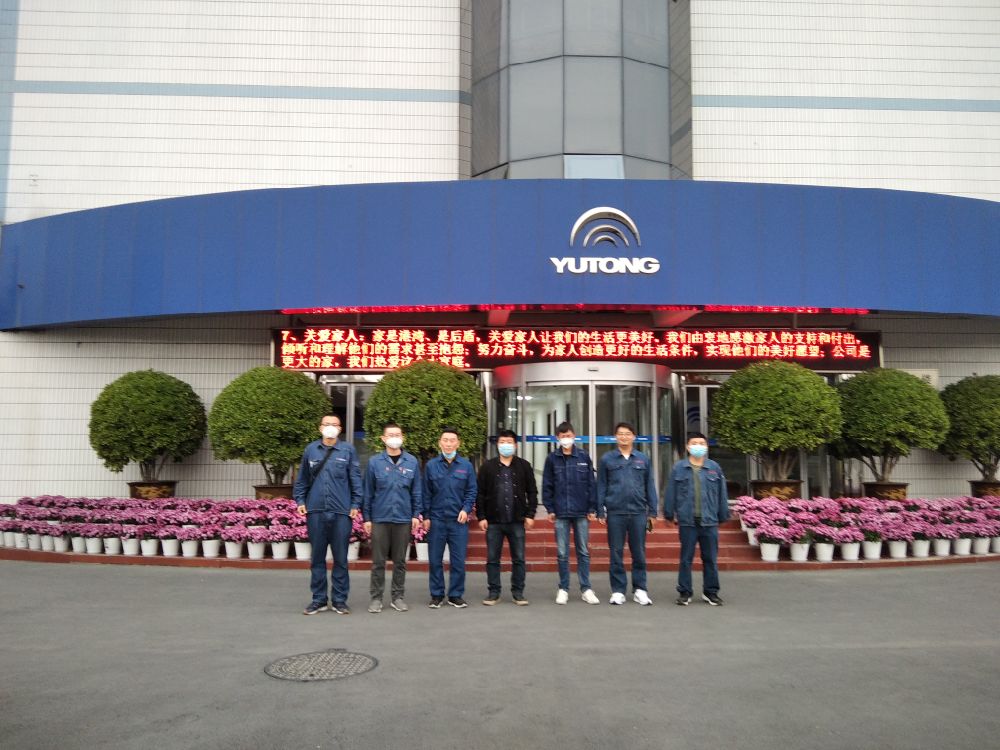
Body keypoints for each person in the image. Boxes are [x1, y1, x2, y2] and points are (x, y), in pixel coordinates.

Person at [293, 414, 362, 615]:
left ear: (340, 429)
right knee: (317, 558)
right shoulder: (311, 450)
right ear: (320, 428)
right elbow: (302, 479)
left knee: (340, 558)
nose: (330, 427)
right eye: (326, 424)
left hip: (341, 512)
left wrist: (356, 503)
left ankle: (340, 600)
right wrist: (300, 500)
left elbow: (355, 479)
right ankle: (319, 599)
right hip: (315, 510)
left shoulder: (348, 450)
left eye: (334, 424)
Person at [663, 432, 730, 606]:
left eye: (701, 443)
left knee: (710, 559)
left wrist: (723, 514)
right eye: (694, 443)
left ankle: (711, 592)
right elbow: (671, 492)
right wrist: (669, 513)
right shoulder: (679, 468)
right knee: (686, 559)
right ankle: (685, 592)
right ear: (688, 446)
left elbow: (722, 493)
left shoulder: (714, 467)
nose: (698, 446)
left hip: (709, 521)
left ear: (706, 447)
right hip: (687, 521)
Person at [362, 422, 423, 613]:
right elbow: (368, 492)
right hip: (380, 518)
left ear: (402, 437)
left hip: (403, 518)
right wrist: (367, 518)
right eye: (390, 435)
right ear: (383, 439)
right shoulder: (374, 462)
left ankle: (398, 596)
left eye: (397, 435)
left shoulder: (411, 462)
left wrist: (416, 514)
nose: (394, 438)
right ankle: (376, 598)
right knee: (378, 561)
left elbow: (417, 491)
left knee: (400, 561)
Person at [596, 421, 657, 606]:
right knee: (616, 552)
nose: (624, 437)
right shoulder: (607, 459)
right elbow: (601, 485)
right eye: (620, 434)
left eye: (627, 434)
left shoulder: (643, 459)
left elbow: (649, 485)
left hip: (638, 512)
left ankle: (640, 589)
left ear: (634, 437)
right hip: (615, 512)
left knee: (639, 552)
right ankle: (618, 590)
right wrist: (600, 510)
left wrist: (653, 511)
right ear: (615, 437)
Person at [476, 429, 538, 606]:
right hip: (493, 521)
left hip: (517, 520)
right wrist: (481, 516)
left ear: (515, 445)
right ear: (497, 445)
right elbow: (480, 493)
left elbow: (532, 492)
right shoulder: (488, 467)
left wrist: (530, 514)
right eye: (502, 442)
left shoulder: (524, 466)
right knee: (492, 559)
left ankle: (518, 592)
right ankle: (493, 592)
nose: (506, 445)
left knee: (518, 558)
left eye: (509, 442)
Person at [542, 421, 600, 605]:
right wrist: (550, 508)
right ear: (557, 438)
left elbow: (591, 484)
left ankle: (586, 588)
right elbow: (547, 485)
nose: (566, 439)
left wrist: (592, 508)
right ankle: (563, 588)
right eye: (562, 436)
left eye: (568, 436)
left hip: (581, 512)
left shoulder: (583, 456)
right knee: (562, 553)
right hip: (561, 512)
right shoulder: (552, 459)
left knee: (583, 551)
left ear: (574, 436)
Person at [422, 427, 478, 609]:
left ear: (458, 443)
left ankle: (455, 595)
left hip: (458, 521)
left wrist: (466, 509)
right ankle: (437, 595)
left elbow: (472, 490)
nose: (448, 444)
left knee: (458, 561)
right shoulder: (431, 466)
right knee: (435, 560)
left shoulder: (466, 466)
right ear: (440, 443)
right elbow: (426, 493)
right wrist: (426, 516)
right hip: (437, 520)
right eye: (445, 440)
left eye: (452, 440)